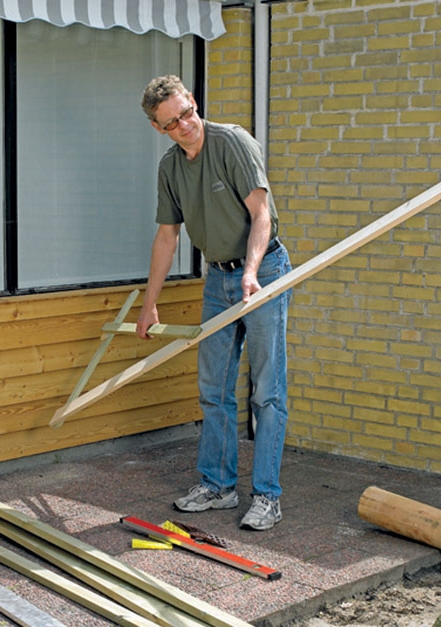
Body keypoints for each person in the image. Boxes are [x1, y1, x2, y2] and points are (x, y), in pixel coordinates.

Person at [136, 75, 292, 531]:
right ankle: (218, 486)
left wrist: (251, 272)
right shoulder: (170, 168)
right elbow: (167, 237)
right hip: (218, 279)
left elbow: (261, 215)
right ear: (158, 128)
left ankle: (267, 496)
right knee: (214, 389)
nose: (184, 125)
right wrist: (149, 304)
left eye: (186, 113)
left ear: (193, 101)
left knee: (267, 391)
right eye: (171, 123)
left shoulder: (232, 143)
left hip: (264, 272)